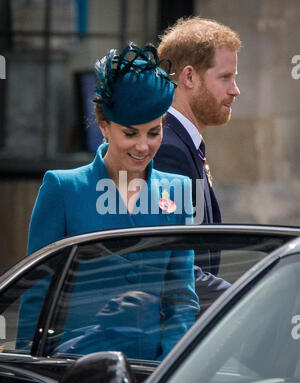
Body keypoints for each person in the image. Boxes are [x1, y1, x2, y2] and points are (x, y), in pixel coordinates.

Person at [18, 42, 199, 359]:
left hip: (148, 373)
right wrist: (28, 372)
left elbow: (181, 300)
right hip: (71, 365)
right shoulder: (62, 188)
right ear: (104, 126)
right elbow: (37, 292)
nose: (143, 146)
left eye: (153, 132)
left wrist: (169, 366)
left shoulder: (178, 190)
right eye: (130, 133)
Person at [153, 17, 241, 306]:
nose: (235, 90)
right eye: (225, 77)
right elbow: (168, 266)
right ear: (189, 77)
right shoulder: (167, 148)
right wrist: (245, 301)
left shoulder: (181, 142)